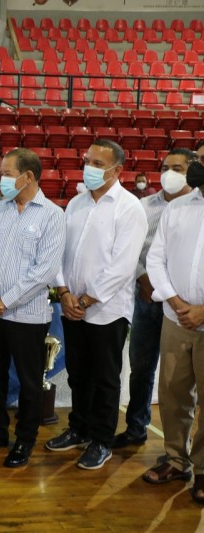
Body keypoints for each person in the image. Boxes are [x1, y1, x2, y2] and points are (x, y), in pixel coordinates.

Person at [48, 139, 148, 470]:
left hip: (107, 311)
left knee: (105, 378)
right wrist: (64, 293)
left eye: (98, 164)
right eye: (87, 161)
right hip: (72, 306)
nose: (89, 168)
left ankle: (102, 440)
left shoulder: (129, 208)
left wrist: (85, 299)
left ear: (117, 170)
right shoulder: (76, 203)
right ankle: (79, 428)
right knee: (78, 374)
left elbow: (123, 265)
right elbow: (60, 252)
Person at [0, 148, 65, 468]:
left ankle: (24, 440)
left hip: (27, 315)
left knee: (29, 382)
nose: (2, 180)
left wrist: (4, 301)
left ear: (28, 176)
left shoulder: (52, 215)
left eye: (7, 174)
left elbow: (44, 272)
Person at [115, 149, 194, 450]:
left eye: (178, 168)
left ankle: (182, 445)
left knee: (179, 378)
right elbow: (129, 248)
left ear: (192, 171)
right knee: (141, 368)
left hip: (182, 305)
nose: (169, 173)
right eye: (165, 167)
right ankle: (136, 427)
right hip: (146, 298)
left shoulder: (196, 208)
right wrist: (142, 277)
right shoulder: (143, 206)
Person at [142, 160, 204, 500]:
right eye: (199, 159)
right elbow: (156, 258)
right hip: (176, 318)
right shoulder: (177, 208)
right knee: (172, 395)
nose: (199, 166)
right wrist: (176, 302)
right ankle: (177, 460)